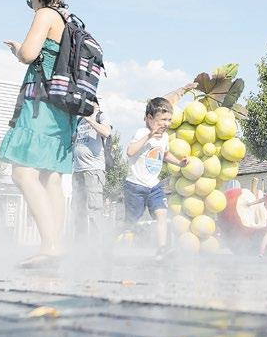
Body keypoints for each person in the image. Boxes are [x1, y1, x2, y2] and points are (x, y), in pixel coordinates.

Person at [0, 0, 76, 268]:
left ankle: (51, 245)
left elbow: (30, 54)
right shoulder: (68, 20)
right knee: (50, 177)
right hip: (64, 108)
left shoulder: (45, 14)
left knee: (23, 173)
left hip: (41, 104)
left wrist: (18, 49)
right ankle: (55, 245)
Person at [123, 97, 188, 261]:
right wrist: (149, 136)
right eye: (162, 120)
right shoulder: (142, 133)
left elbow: (164, 154)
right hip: (135, 186)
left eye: (169, 120)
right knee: (131, 222)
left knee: (161, 214)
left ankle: (162, 249)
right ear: (150, 119)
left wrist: (179, 163)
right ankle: (114, 242)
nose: (166, 124)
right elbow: (130, 152)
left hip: (154, 186)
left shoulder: (165, 138)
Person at [72, 102, 112, 244]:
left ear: (95, 104)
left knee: (94, 209)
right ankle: (80, 245)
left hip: (94, 170)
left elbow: (107, 132)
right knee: (78, 209)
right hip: (77, 170)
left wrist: (90, 118)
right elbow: (74, 139)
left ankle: (98, 245)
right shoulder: (79, 120)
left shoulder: (101, 116)